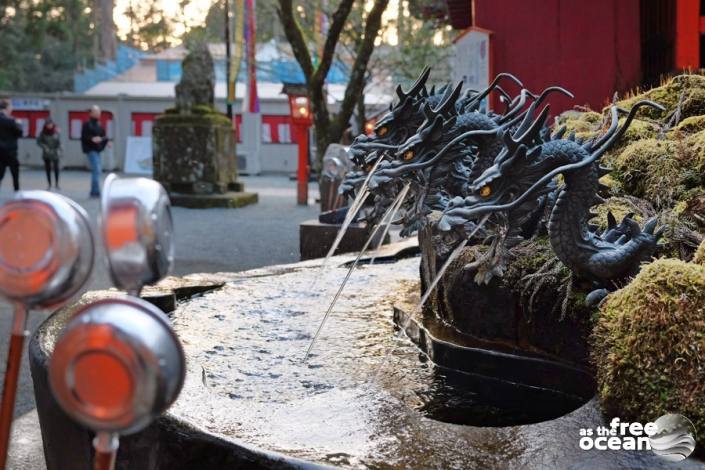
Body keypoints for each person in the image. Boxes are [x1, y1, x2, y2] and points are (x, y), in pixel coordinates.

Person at [80, 105, 110, 197]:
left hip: (97, 150)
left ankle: (94, 191)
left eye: (99, 112)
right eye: (96, 112)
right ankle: (95, 191)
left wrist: (106, 141)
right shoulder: (87, 124)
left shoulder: (99, 124)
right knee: (97, 170)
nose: (98, 114)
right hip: (91, 149)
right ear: (92, 113)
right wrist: (92, 139)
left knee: (97, 170)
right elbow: (84, 137)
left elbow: (104, 136)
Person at [0, 99, 23, 191]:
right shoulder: (12, 121)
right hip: (11, 151)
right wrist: (19, 124)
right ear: (7, 108)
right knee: (15, 173)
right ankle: (16, 192)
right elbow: (20, 133)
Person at [37, 118, 62, 190]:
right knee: (48, 169)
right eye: (48, 124)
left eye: (50, 124)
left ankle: (57, 184)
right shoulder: (43, 133)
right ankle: (49, 184)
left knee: (56, 168)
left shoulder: (56, 132)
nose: (49, 126)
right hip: (47, 153)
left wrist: (59, 149)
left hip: (55, 152)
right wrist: (45, 147)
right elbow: (39, 142)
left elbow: (59, 142)